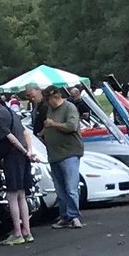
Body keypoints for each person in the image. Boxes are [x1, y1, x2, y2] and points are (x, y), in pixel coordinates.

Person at [0, 87, 38, 246]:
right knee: (22, 195)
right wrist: (29, 152)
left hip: (12, 158)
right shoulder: (11, 112)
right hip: (22, 157)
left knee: (12, 195)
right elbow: (26, 133)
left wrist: (23, 151)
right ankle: (26, 230)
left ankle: (17, 232)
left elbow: (9, 137)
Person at [39, 85, 86, 228]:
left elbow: (72, 126)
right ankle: (65, 216)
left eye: (48, 100)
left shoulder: (69, 108)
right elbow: (49, 126)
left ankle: (74, 216)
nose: (47, 103)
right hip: (54, 154)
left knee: (71, 187)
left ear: (56, 97)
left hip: (69, 152)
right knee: (60, 189)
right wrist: (41, 134)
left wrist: (53, 124)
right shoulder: (50, 110)